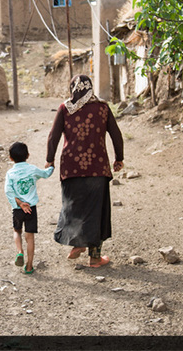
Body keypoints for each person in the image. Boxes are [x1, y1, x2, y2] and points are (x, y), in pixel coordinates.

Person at [46, 74, 124, 268]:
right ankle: (95, 257)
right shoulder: (103, 108)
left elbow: (53, 136)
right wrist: (119, 158)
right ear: (90, 88)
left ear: (72, 89)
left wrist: (50, 160)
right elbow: (116, 134)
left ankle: (77, 243)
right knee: (97, 211)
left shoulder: (65, 108)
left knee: (73, 206)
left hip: (71, 167)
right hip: (97, 167)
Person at [4, 141, 55, 274]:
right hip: (31, 208)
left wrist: (20, 203)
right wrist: (51, 166)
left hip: (18, 209)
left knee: (17, 231)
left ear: (10, 158)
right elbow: (46, 174)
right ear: (28, 155)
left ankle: (19, 252)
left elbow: (8, 191)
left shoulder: (10, 173)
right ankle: (29, 266)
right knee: (30, 237)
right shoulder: (32, 169)